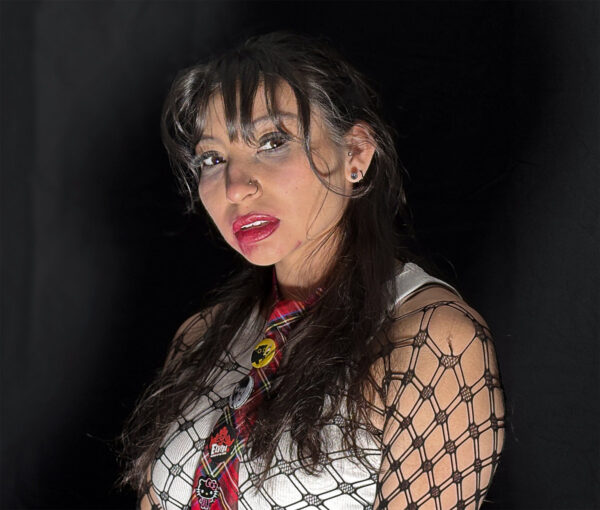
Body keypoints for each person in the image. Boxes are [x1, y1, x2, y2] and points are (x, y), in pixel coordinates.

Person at [120, 32, 505, 510]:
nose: (235, 187)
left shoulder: (432, 341)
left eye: (272, 141)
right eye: (213, 158)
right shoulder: (200, 338)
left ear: (355, 154)